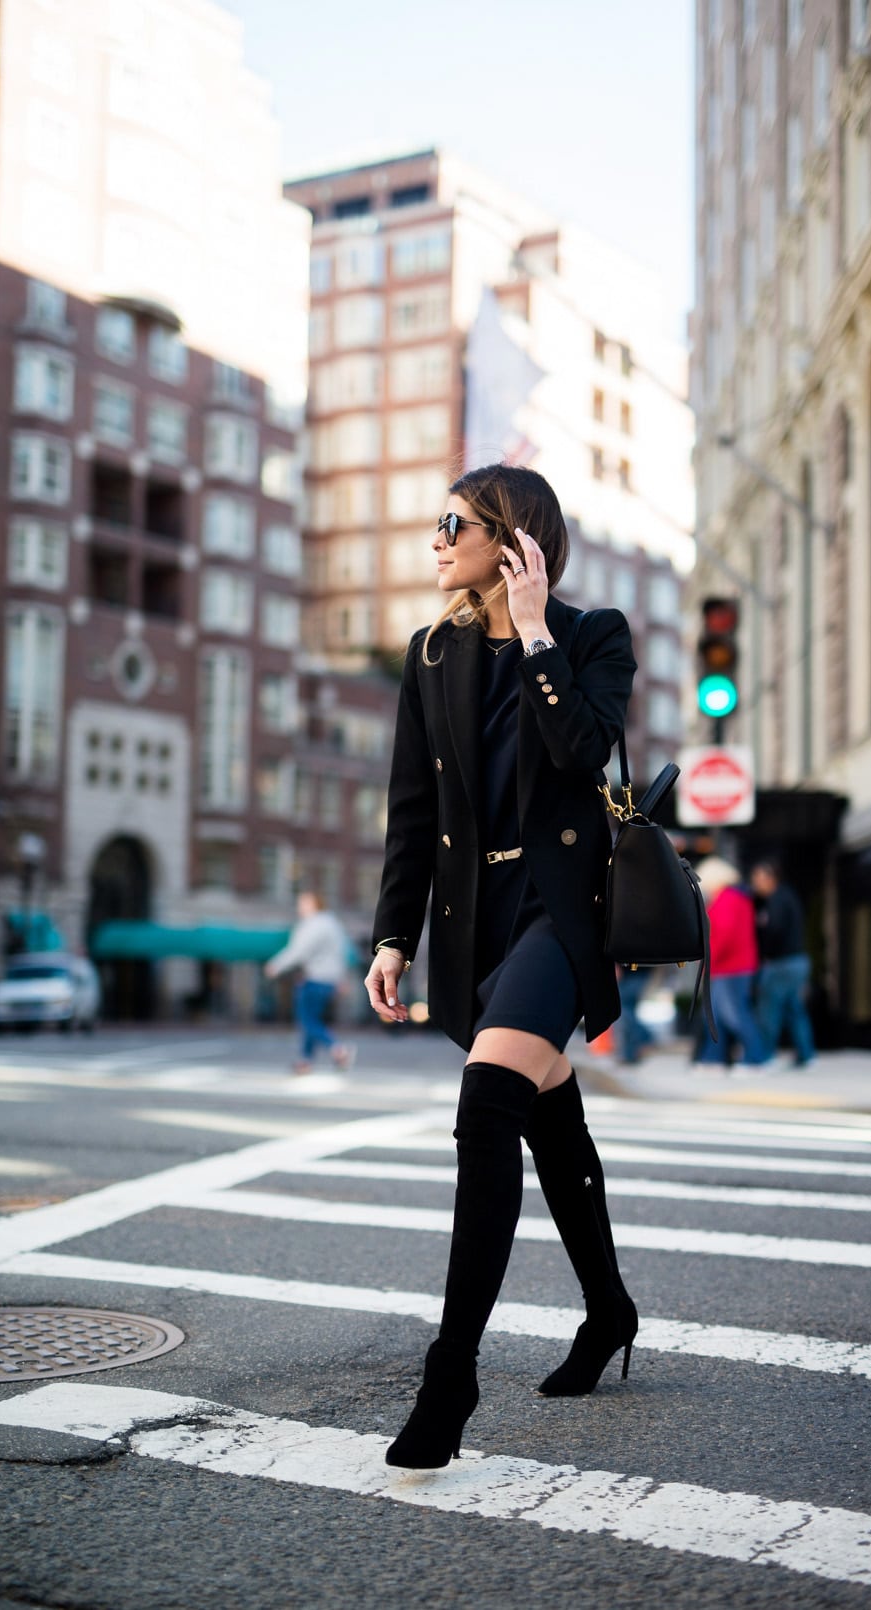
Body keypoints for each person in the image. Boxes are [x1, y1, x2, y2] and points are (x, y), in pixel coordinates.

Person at [364, 462, 638, 1470]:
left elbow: (580, 747)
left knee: (487, 1106)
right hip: (474, 921)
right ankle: (607, 1307)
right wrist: (393, 934)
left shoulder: (592, 635)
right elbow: (412, 810)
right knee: (546, 1103)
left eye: (455, 523)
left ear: (512, 541)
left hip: (560, 915)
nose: (436, 539)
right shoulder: (430, 653)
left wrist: (533, 631)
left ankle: (451, 1377)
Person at [264, 890, 353, 1073]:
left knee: (307, 1021)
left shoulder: (314, 924)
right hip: (328, 979)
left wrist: (276, 965)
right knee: (312, 1019)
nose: (299, 907)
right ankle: (305, 1061)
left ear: (313, 904)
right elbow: (342, 954)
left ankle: (337, 1049)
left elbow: (299, 951)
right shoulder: (332, 923)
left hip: (314, 978)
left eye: (302, 903)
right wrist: (342, 979)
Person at [693, 856, 769, 1069]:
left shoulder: (728, 899)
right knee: (718, 1015)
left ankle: (756, 1058)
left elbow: (724, 934)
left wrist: (710, 957)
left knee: (736, 1015)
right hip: (730, 966)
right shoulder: (736, 897)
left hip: (731, 967)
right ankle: (713, 1058)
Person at [751, 859, 816, 1067]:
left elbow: (774, 930)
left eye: (760, 879)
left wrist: (763, 951)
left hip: (782, 963)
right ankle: (806, 1055)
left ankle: (766, 1055)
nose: (757, 884)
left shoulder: (776, 900)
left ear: (771, 879)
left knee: (769, 1010)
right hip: (797, 961)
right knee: (795, 1010)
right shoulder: (787, 896)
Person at [616, 963, 654, 1064]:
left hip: (635, 970)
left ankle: (645, 1038)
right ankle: (629, 1053)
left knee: (624, 1010)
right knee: (626, 1010)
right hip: (634, 969)